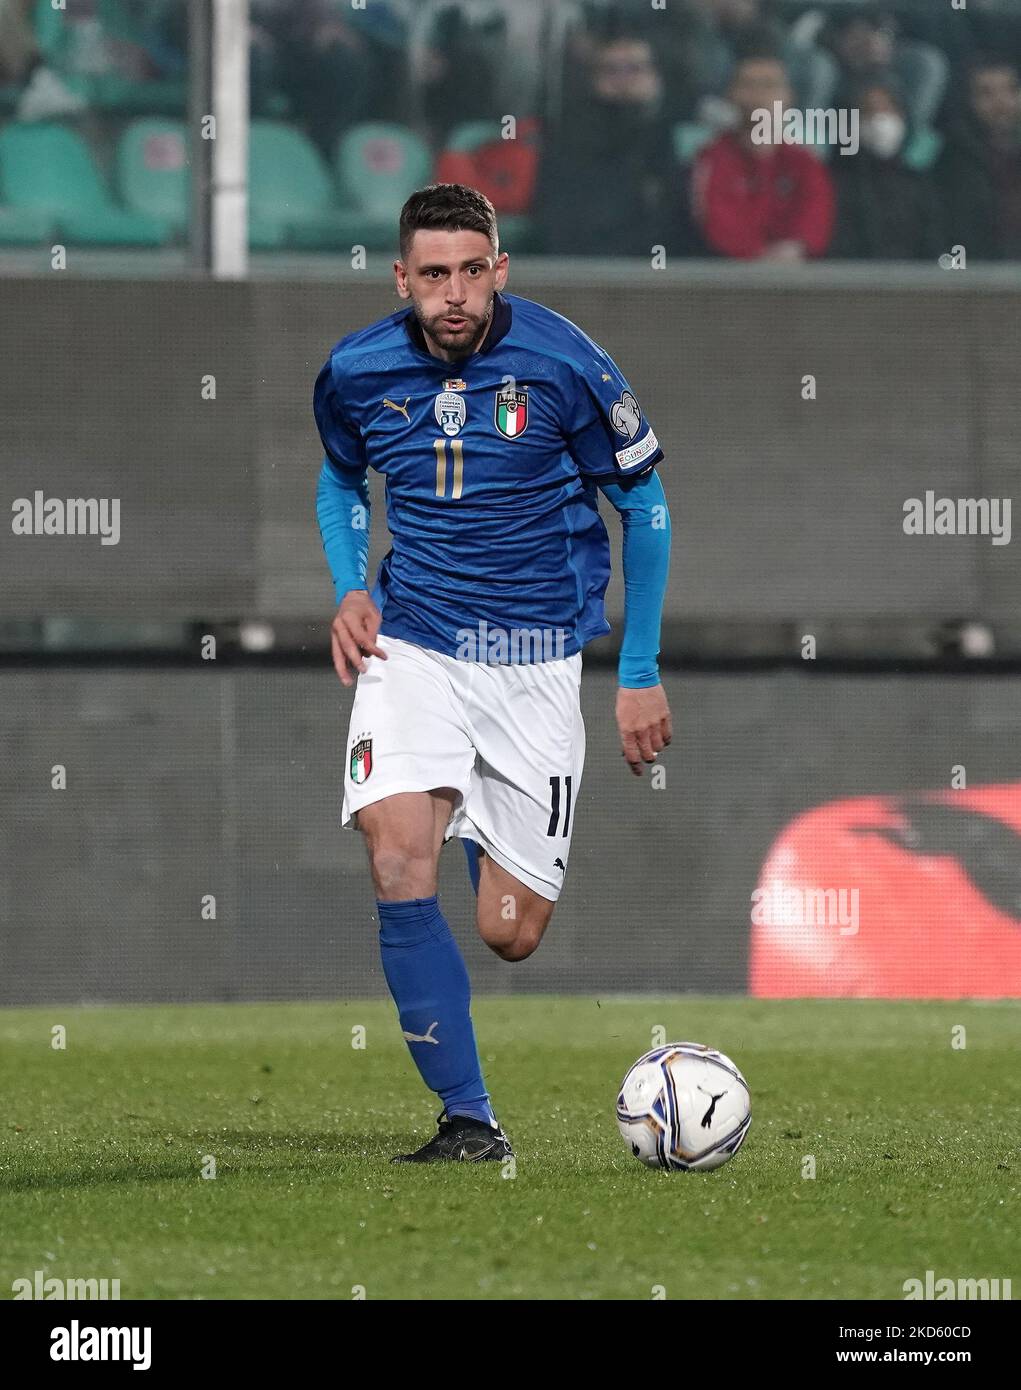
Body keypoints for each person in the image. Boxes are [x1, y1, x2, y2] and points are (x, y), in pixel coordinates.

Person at [313, 184, 673, 1163]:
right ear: (402, 279)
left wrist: (635, 669)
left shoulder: (564, 362)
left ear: (500, 267)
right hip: (414, 643)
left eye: (474, 270)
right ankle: (468, 1119)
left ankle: (468, 803)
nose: (456, 293)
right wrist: (351, 586)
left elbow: (645, 509)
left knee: (509, 930)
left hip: (534, 661)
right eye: (434, 274)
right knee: (394, 859)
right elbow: (342, 477)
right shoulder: (355, 370)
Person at [538, 32, 679, 256]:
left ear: (656, 76)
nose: (623, 79)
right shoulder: (570, 137)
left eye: (634, 68)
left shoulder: (666, 135)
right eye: (611, 70)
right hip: (587, 264)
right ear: (594, 79)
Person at [691, 52, 835, 260]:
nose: (758, 95)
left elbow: (815, 219)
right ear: (730, 94)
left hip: (796, 276)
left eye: (769, 85)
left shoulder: (805, 163)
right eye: (748, 85)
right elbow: (716, 223)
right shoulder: (711, 160)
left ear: (789, 96)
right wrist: (758, 257)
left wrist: (792, 251)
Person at [830, 78, 944, 260]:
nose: (879, 119)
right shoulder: (838, 184)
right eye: (868, 111)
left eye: (888, 109)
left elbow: (935, 245)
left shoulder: (919, 184)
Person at [938, 56, 1021, 261]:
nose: (1001, 102)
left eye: (1010, 91)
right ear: (969, 100)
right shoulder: (952, 159)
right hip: (975, 276)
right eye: (986, 93)